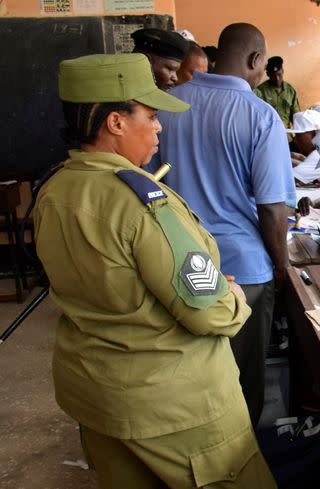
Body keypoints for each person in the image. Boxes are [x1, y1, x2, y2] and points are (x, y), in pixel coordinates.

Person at [36, 53, 276, 487]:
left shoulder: (55, 189)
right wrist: (233, 298)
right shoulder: (142, 202)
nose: (159, 127)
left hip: (95, 392)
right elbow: (208, 310)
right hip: (172, 405)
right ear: (116, 122)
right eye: (150, 115)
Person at [156, 23, 297, 429]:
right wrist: (282, 267)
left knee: (188, 374)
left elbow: (147, 189)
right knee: (240, 380)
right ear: (255, 61)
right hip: (244, 272)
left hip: (176, 265)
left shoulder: (166, 106)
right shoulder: (260, 115)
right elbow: (273, 210)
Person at [253, 56, 301, 129]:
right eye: (273, 76)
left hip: (288, 135)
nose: (277, 79)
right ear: (268, 74)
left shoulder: (290, 91)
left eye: (279, 74)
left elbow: (296, 117)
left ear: (282, 71)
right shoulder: (260, 91)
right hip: (269, 133)